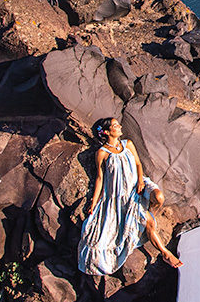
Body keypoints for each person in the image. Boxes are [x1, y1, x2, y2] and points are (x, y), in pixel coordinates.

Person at [78, 117, 182, 275]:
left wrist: (140, 181)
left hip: (138, 184)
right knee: (147, 223)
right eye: (115, 126)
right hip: (122, 195)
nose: (119, 126)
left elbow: (139, 164)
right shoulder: (102, 153)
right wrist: (93, 202)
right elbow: (100, 178)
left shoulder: (128, 144)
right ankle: (166, 253)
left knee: (159, 197)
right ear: (107, 132)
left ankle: (149, 215)